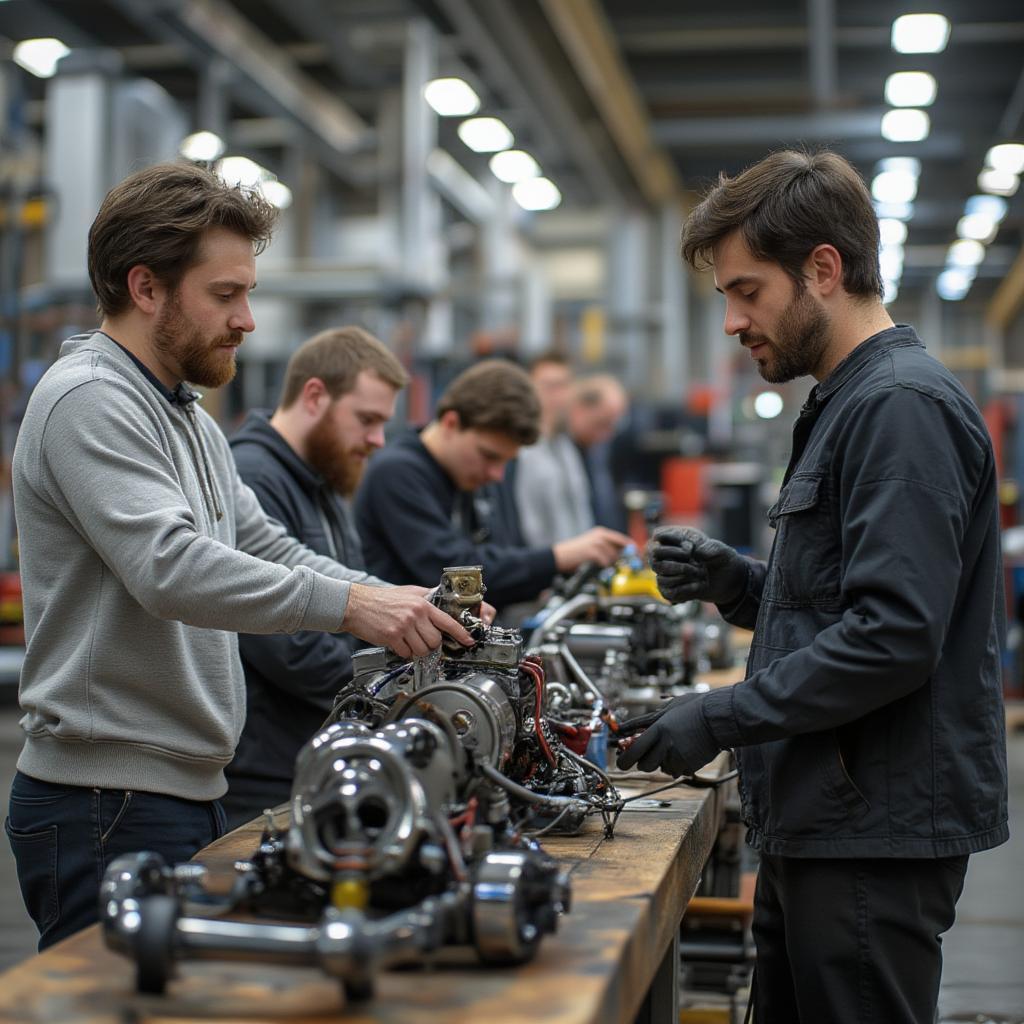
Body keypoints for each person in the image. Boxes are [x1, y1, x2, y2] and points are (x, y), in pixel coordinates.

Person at [6, 162, 473, 951]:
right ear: (146, 287)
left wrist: (410, 600)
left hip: (180, 789)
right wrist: (356, 609)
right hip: (103, 797)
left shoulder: (185, 414)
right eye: (226, 295)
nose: (248, 319)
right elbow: (171, 568)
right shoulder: (89, 397)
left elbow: (266, 547)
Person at [618, 149, 1009, 1023]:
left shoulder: (900, 407)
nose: (731, 321)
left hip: (874, 829)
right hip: (827, 814)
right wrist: (739, 585)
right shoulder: (846, 401)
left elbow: (895, 637)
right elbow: (847, 608)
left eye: (746, 291)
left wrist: (716, 714)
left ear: (822, 270)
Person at [223, 325, 409, 828]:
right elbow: (290, 646)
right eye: (367, 419)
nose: (377, 439)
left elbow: (347, 587)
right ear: (314, 396)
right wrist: (401, 691)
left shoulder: (324, 477)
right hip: (262, 773)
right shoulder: (255, 476)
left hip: (306, 756)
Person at [356, 358, 630, 609]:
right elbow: (455, 575)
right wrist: (558, 557)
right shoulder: (398, 473)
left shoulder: (472, 475)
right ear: (451, 422)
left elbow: (499, 555)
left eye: (506, 462)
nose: (497, 474)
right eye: (489, 456)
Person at [513, 352, 595, 547]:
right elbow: (529, 526)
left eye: (565, 385)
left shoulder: (567, 447)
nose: (559, 395)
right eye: (550, 386)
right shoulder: (522, 451)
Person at [566, 374, 629, 531]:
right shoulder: (558, 454)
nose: (606, 435)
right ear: (579, 409)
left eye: (611, 426)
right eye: (601, 424)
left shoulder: (595, 449)